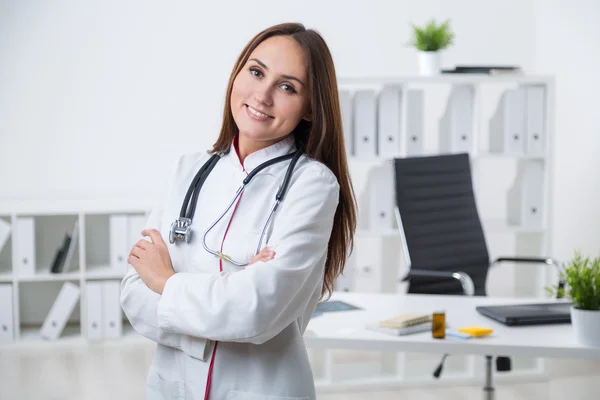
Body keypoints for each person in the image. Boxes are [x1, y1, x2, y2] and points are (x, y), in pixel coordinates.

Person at [120, 22, 357, 400]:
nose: (262, 95)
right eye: (256, 71)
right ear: (238, 73)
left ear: (310, 107)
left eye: (287, 86)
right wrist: (231, 295)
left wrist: (166, 282)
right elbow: (133, 294)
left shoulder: (313, 185)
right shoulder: (188, 169)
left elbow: (257, 311)